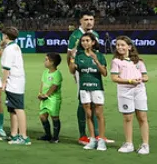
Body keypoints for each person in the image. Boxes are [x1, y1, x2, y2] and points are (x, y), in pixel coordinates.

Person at [67, 11, 104, 145]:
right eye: (86, 19)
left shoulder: (95, 35)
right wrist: (73, 73)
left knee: (95, 103)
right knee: (83, 102)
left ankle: (96, 135)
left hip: (94, 71)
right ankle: (83, 135)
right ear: (80, 21)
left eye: (91, 19)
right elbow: (69, 55)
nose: (89, 22)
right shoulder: (75, 36)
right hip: (81, 71)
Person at [110, 36, 149, 155]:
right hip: (125, 92)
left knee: (142, 117)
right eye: (117, 45)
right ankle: (129, 144)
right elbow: (114, 78)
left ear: (129, 47)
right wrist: (130, 81)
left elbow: (146, 76)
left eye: (122, 45)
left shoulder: (139, 61)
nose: (120, 47)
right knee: (128, 118)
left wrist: (141, 79)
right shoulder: (116, 61)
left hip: (139, 91)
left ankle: (145, 145)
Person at [1, 26, 29, 145]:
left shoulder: (9, 49)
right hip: (17, 81)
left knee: (18, 108)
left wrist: (3, 82)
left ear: (6, 36)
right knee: (12, 108)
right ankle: (14, 134)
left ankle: (23, 137)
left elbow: (7, 68)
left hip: (14, 82)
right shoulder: (14, 47)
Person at [37, 52, 63, 144]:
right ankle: (48, 135)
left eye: (46, 59)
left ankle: (55, 137)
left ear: (52, 62)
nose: (44, 61)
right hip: (44, 98)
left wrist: (46, 95)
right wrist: (40, 93)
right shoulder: (45, 72)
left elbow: (54, 86)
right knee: (42, 116)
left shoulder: (57, 74)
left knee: (54, 117)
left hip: (53, 99)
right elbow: (42, 83)